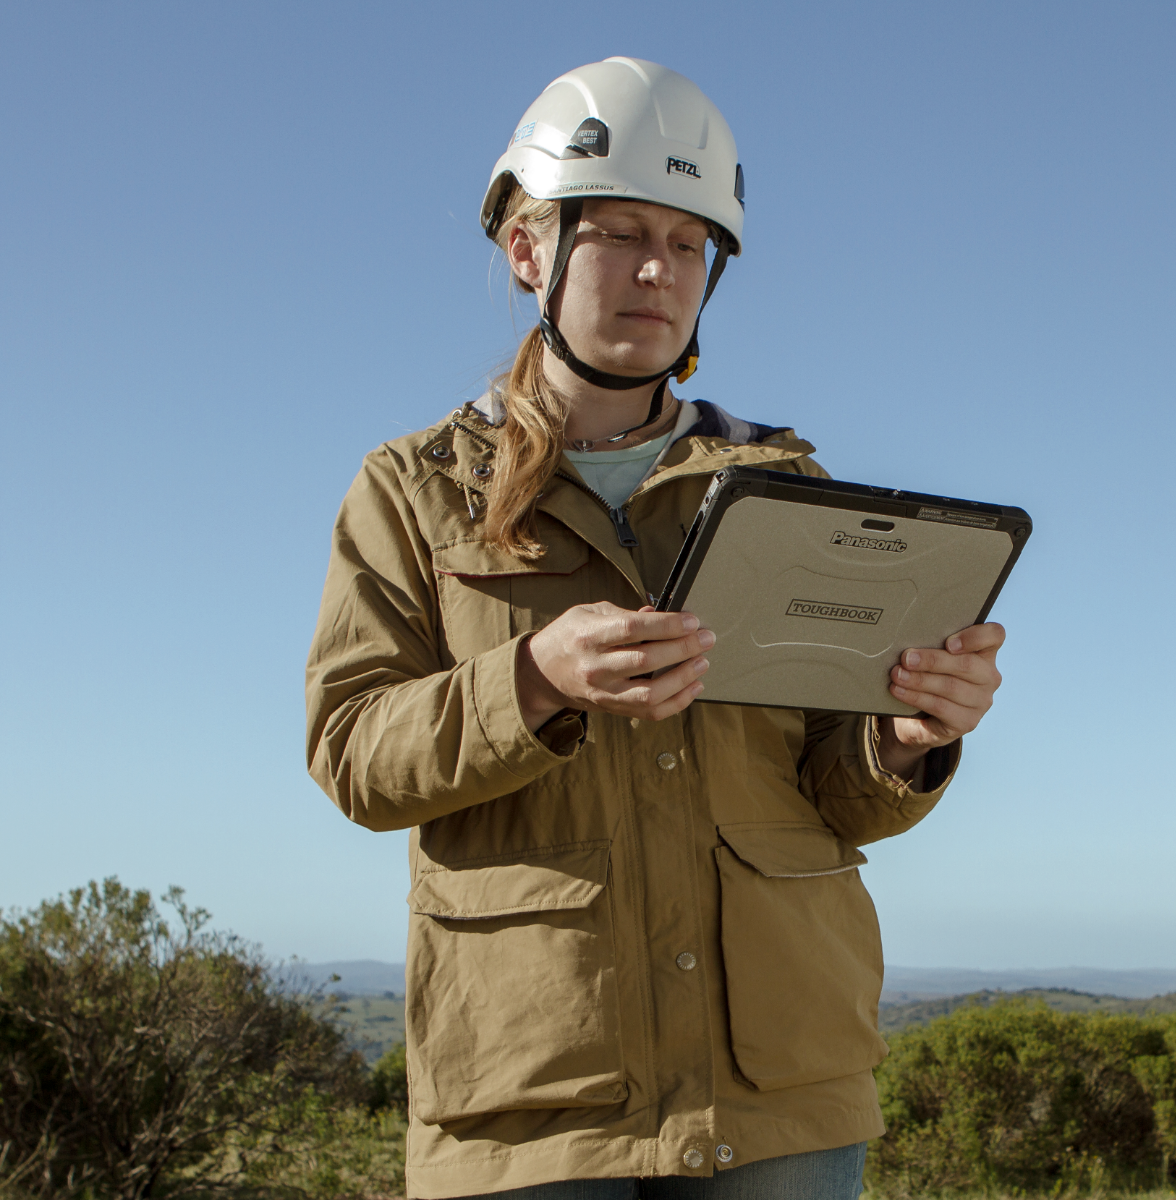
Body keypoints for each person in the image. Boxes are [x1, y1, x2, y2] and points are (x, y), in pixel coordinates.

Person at [304, 58, 1007, 1199]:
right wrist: (531, 678)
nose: (656, 269)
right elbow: (352, 757)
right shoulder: (409, 490)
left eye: (689, 244)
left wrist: (909, 739)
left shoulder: (788, 483)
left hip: (780, 1093)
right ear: (528, 250)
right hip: (534, 1103)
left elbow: (836, 791)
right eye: (622, 230)